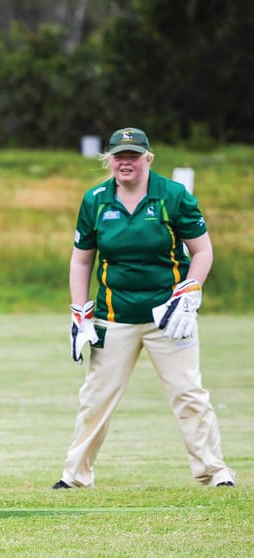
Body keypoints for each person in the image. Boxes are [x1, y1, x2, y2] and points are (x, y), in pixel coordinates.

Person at [55, 127, 236, 489]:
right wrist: (79, 311)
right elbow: (81, 261)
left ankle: (214, 473)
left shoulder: (173, 196)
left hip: (168, 317)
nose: (126, 162)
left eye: (134, 156)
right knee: (96, 398)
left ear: (148, 158)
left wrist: (190, 289)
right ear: (109, 160)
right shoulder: (95, 200)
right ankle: (75, 477)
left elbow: (202, 251)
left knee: (188, 393)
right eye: (119, 156)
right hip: (113, 315)